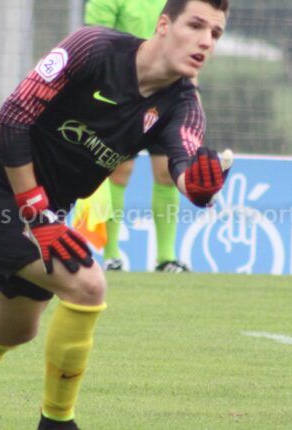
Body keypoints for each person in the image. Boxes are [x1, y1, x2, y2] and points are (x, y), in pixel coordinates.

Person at [0, 1, 230, 429]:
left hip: (47, 214)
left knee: (14, 331)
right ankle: (57, 422)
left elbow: (184, 164)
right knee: (88, 285)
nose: (206, 40)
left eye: (216, 34)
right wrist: (36, 213)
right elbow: (12, 119)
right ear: (164, 25)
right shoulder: (93, 48)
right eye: (197, 25)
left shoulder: (184, 105)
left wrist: (199, 187)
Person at [84, 0, 193, 273]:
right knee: (118, 170)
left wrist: (194, 92)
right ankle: (111, 255)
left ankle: (166, 257)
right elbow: (96, 41)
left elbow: (190, 41)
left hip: (168, 91)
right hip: (122, 93)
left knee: (168, 171)